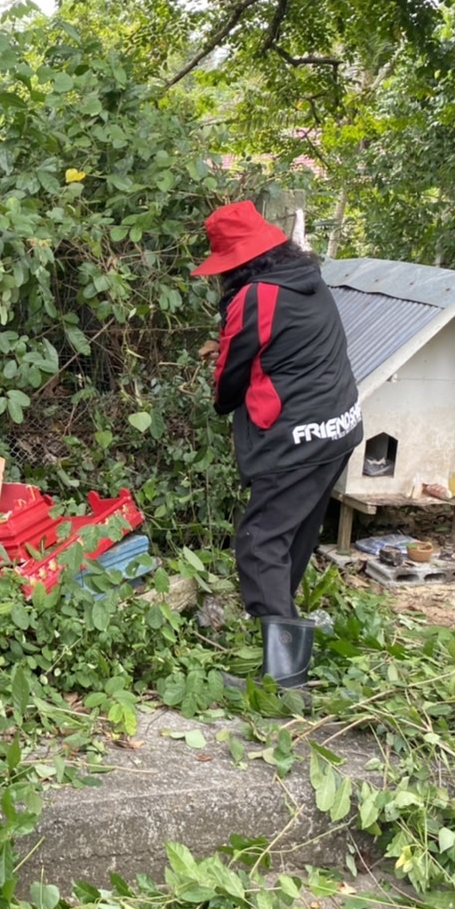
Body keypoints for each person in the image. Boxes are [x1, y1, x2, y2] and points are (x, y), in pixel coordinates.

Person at [192, 201, 362, 688]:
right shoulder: (306, 281)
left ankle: (285, 683)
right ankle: (280, 637)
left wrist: (219, 388)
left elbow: (230, 375)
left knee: (260, 541)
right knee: (293, 536)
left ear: (237, 263)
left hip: (296, 435)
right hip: (339, 427)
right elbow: (284, 345)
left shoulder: (256, 295)